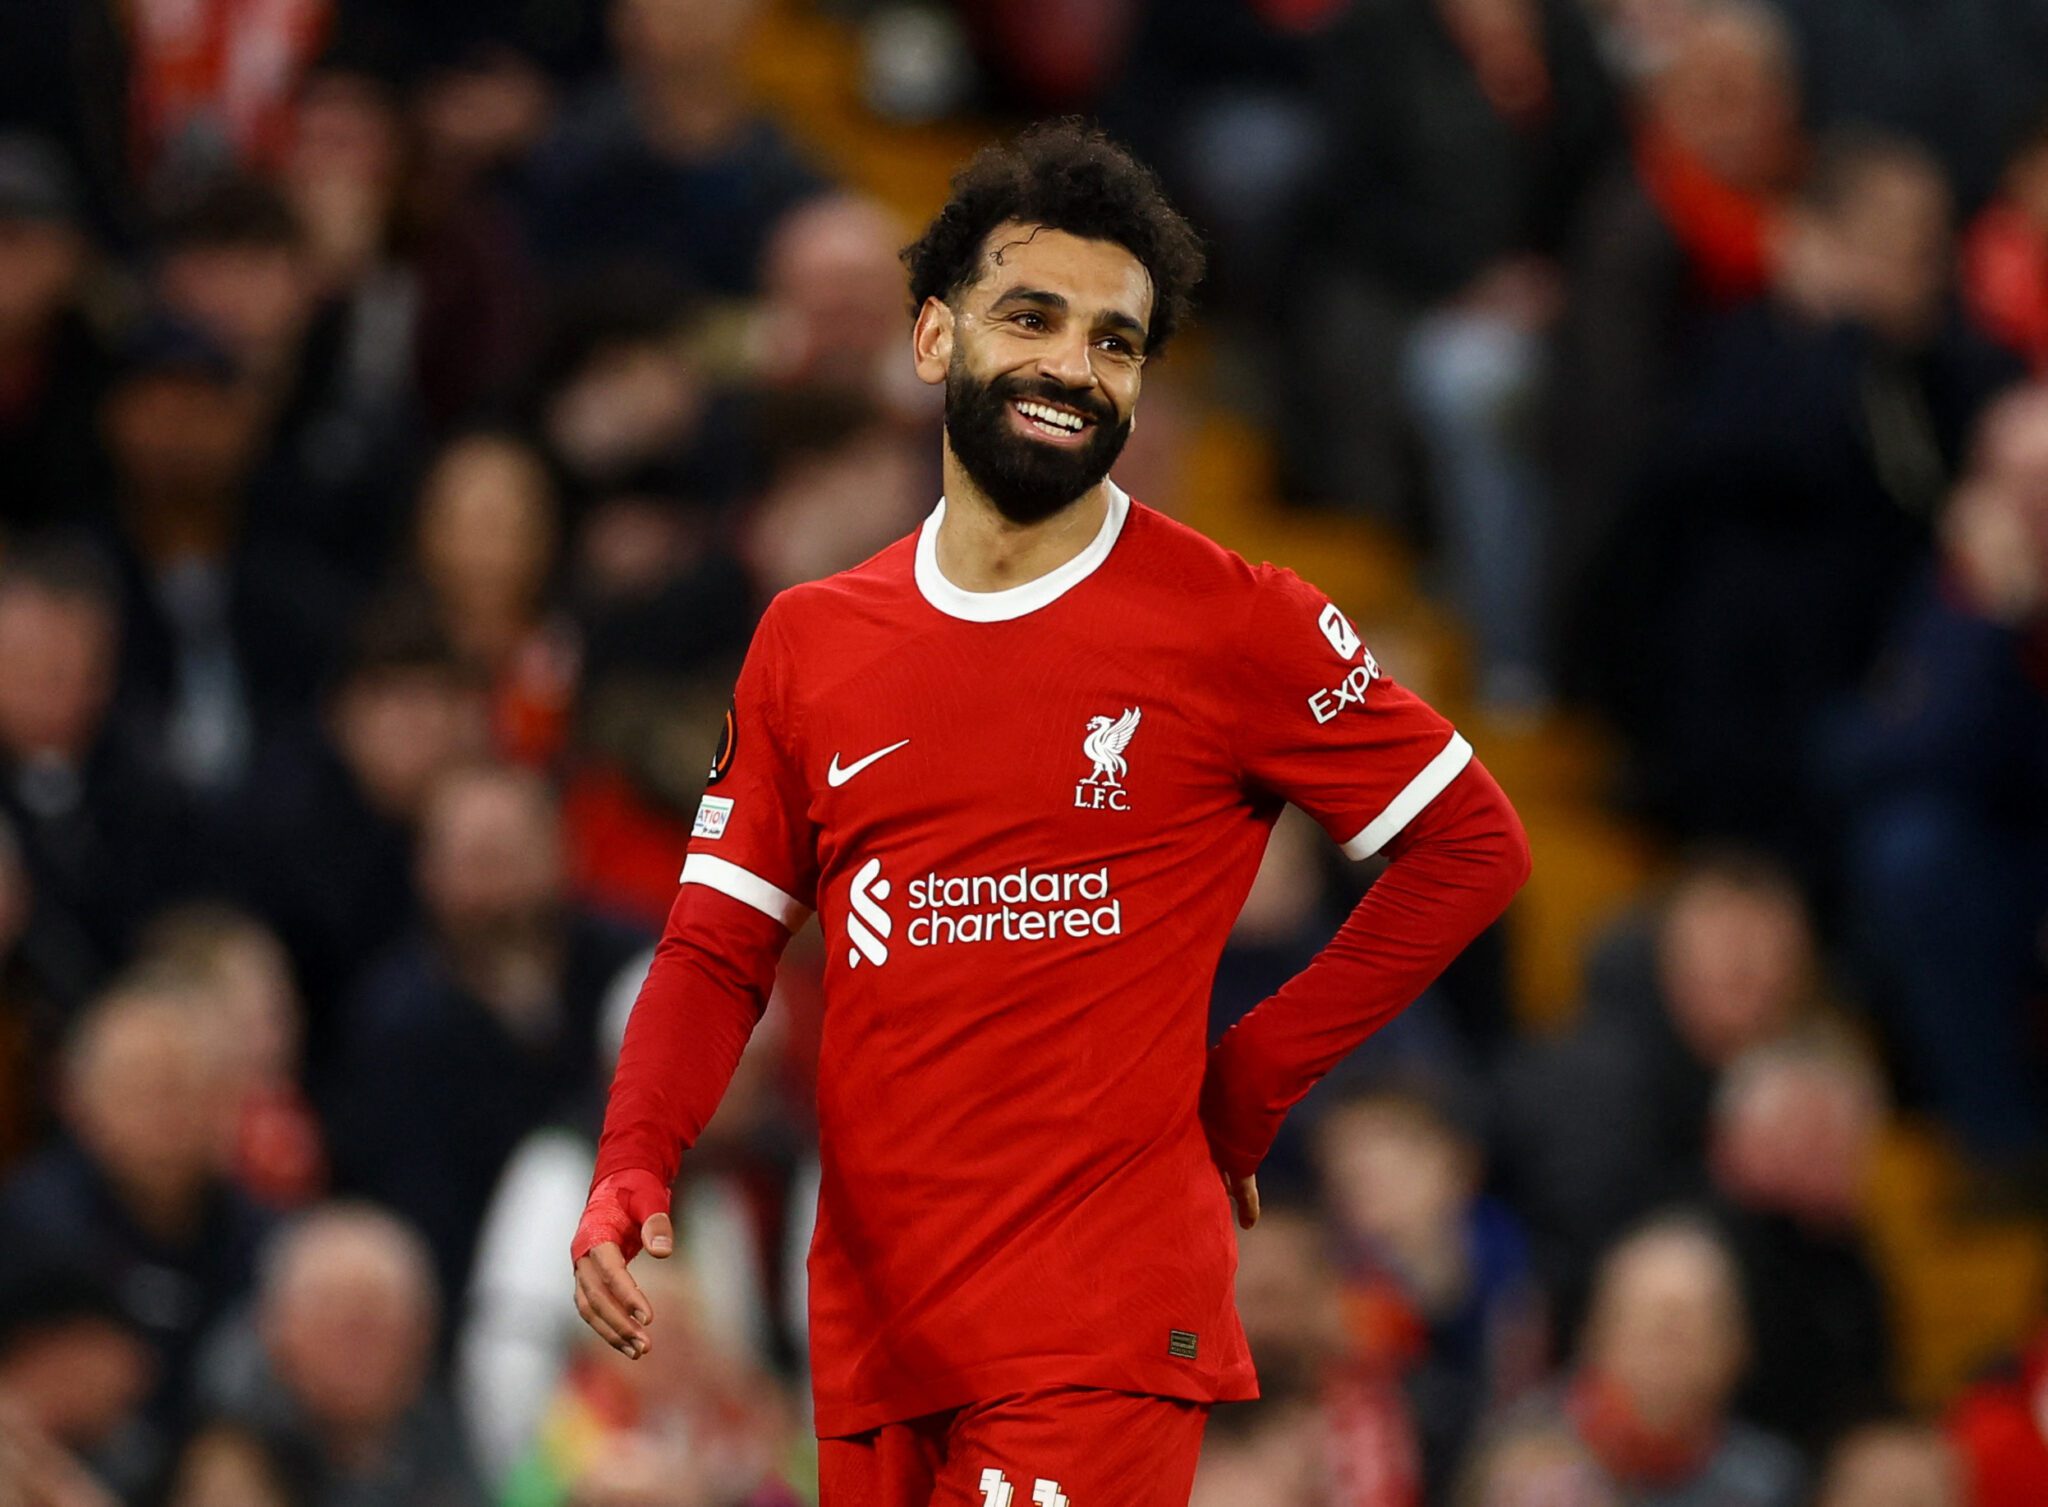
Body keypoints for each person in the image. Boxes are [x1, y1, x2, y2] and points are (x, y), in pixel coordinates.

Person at [572, 121, 1530, 1506]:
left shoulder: (1235, 621)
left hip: (1098, 1322)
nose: (1075, 367)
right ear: (929, 341)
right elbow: (719, 948)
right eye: (1033, 318)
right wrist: (632, 1158)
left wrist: (1251, 1079)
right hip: (875, 1326)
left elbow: (1474, 845)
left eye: (1116, 342)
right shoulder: (810, 642)